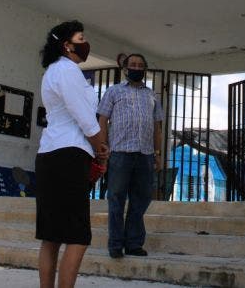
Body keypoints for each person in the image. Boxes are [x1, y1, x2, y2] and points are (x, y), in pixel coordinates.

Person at [35, 20, 109, 288]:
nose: (85, 42)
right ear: (67, 45)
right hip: (69, 155)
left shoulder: (52, 72)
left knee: (51, 236)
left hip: (49, 155)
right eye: (81, 37)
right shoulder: (68, 72)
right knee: (78, 236)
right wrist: (101, 149)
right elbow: (86, 119)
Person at [97, 53, 164, 259]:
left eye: (140, 65)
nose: (136, 67)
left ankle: (134, 243)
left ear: (145, 69)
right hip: (119, 153)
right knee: (116, 198)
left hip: (145, 155)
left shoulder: (152, 95)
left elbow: (157, 127)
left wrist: (158, 153)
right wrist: (102, 147)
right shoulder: (113, 92)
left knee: (141, 199)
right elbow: (102, 120)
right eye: (132, 65)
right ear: (125, 69)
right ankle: (116, 244)